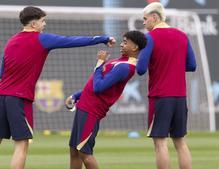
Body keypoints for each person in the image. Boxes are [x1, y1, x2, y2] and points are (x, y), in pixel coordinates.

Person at [0, 6, 116, 169]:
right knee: (21, 145)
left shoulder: (11, 41)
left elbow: (3, 73)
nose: (44, 24)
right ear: (33, 24)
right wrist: (102, 38)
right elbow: (72, 41)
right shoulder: (42, 39)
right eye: (43, 21)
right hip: (19, 99)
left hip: (1, 96)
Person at [65, 30, 147, 169]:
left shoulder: (126, 67)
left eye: (125, 42)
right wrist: (76, 96)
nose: (121, 45)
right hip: (84, 106)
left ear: (135, 47)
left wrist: (99, 63)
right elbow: (93, 85)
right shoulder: (120, 61)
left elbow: (98, 87)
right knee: (74, 150)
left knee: (85, 153)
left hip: (92, 110)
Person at [136, 2, 197, 169]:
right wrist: (172, 65)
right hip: (180, 97)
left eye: (145, 19)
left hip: (160, 97)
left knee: (160, 144)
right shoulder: (182, 35)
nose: (143, 22)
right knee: (181, 143)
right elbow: (192, 65)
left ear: (155, 18)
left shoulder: (150, 38)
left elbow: (140, 69)